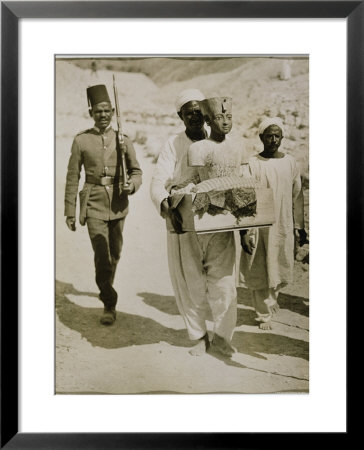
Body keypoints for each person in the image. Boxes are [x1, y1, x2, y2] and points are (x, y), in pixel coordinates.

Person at [64, 84, 142, 325]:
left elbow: (136, 171)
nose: (103, 115)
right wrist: (69, 210)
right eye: (98, 111)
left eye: (107, 111)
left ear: (113, 111)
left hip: (118, 204)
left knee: (114, 254)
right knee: (102, 255)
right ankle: (109, 302)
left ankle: (106, 288)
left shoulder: (123, 140)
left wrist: (132, 185)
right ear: (91, 113)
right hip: (94, 203)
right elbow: (72, 176)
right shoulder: (81, 141)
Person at [239, 117, 307, 330]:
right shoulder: (252, 163)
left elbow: (297, 195)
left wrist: (300, 226)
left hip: (283, 223)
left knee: (279, 263)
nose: (273, 139)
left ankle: (271, 301)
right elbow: (243, 196)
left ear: (282, 137)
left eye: (277, 135)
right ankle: (264, 314)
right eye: (269, 135)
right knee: (260, 265)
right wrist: (244, 231)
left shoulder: (290, 162)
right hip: (259, 223)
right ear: (261, 137)